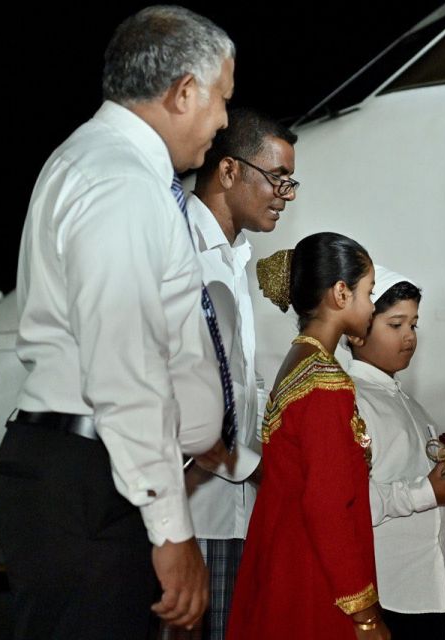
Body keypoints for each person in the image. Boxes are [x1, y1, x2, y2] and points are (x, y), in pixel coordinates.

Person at [0, 6, 235, 638]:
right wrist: (170, 529)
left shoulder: (97, 163)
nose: (224, 120)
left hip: (90, 470)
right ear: (184, 91)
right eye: (221, 99)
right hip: (95, 486)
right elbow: (124, 365)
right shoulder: (122, 183)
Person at [161, 109, 299, 640]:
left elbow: (241, 388)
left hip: (240, 514)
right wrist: (258, 466)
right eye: (278, 177)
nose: (286, 194)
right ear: (229, 172)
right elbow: (176, 397)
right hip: (195, 517)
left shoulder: (237, 259)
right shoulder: (180, 253)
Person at [227, 233, 390, 639]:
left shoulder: (298, 363)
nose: (372, 306)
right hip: (316, 578)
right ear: (340, 293)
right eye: (368, 293)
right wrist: (364, 612)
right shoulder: (323, 383)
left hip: (286, 558)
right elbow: (328, 505)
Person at [346, 267, 445, 638]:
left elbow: (423, 488)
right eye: (396, 325)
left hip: (425, 587)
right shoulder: (351, 401)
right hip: (385, 591)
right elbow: (349, 500)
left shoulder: (409, 404)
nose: (409, 337)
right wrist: (427, 492)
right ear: (358, 329)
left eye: (414, 325)